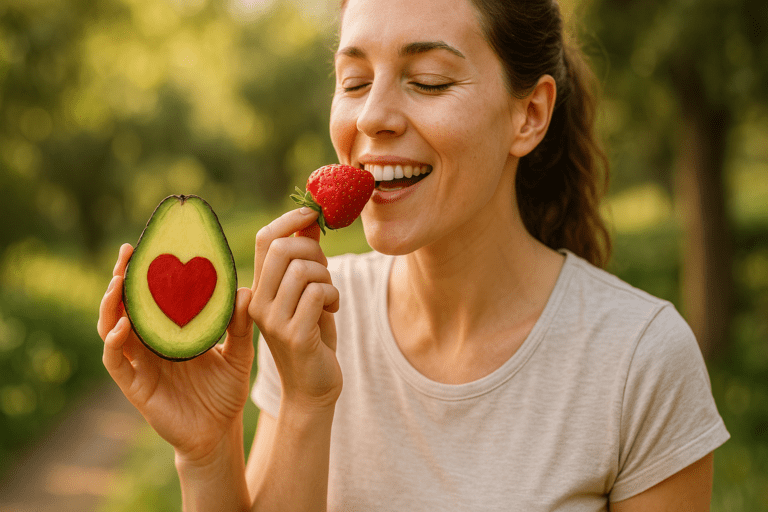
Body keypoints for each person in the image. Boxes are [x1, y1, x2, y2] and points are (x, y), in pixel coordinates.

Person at [97, 0, 730, 509]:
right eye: (354, 81)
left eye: (427, 80)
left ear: (529, 115)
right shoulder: (311, 322)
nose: (373, 116)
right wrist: (215, 452)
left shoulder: (639, 359)